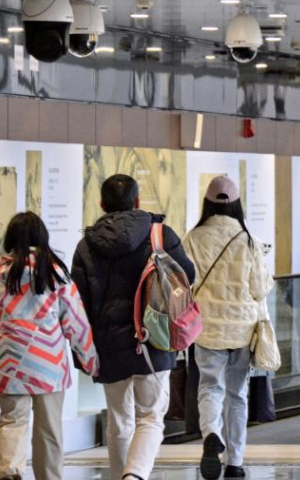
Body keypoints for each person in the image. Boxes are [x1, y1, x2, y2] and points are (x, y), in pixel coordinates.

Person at [71, 174, 195, 480]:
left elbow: (79, 302)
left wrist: (83, 353)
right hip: (154, 339)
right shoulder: (160, 235)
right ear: (137, 201)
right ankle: (135, 475)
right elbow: (187, 276)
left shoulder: (87, 245)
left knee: (119, 420)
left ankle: (120, 476)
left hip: (108, 347)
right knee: (151, 417)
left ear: (101, 204)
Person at [0, 212, 99, 480]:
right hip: (49, 364)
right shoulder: (55, 274)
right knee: (49, 430)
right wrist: (90, 360)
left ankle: (9, 474)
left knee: (12, 423)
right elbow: (76, 322)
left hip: (9, 364)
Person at [183, 176, 274, 480]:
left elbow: (185, 285)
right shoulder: (248, 240)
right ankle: (235, 461)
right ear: (236, 204)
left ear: (207, 203)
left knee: (210, 386)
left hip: (206, 328)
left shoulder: (193, 239)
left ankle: (211, 434)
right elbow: (260, 288)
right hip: (242, 329)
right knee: (237, 394)